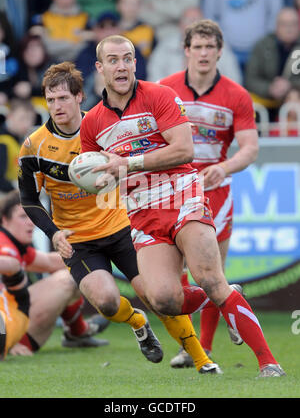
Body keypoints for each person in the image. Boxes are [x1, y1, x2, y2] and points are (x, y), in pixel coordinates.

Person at [80, 34, 285, 378]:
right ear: (100, 68)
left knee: (207, 276)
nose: (122, 66)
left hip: (183, 194)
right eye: (113, 60)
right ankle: (226, 296)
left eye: (128, 58)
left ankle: (268, 362)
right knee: (162, 299)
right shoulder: (92, 123)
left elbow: (184, 150)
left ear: (135, 63)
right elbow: (97, 174)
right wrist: (98, 181)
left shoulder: (159, 95)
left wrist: (127, 165)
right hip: (143, 211)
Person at [18, 61, 222, 373]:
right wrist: (54, 233)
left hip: (123, 227)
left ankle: (202, 360)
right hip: (80, 241)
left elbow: (138, 165)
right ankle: (138, 323)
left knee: (158, 298)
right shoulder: (34, 146)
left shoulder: (102, 129)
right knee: (107, 301)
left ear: (78, 98)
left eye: (63, 98)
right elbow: (29, 200)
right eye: (50, 99)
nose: (56, 106)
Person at [157, 18, 260, 367]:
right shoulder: (165, 90)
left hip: (215, 188)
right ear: (186, 51)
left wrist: (225, 167)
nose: (203, 53)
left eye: (209, 47)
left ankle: (202, 347)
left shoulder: (236, 95)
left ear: (219, 52)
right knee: (182, 273)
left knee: (211, 270)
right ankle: (202, 334)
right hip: (173, 187)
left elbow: (249, 148)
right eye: (197, 47)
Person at [0, 190, 109, 359]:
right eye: (23, 217)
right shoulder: (5, 247)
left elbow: (51, 262)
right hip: (9, 329)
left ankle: (77, 331)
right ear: (4, 220)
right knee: (69, 278)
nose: (30, 223)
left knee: (76, 268)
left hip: (19, 328)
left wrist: (96, 252)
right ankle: (77, 331)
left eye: (31, 216)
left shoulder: (17, 247)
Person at [202, 0, 283, 75]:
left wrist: (264, 43)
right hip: (226, 50)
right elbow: (209, 16)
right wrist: (223, 43)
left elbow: (276, 15)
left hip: (261, 49)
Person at [245, 7, 300, 121]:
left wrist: (289, 85)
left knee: (294, 99)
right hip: (264, 100)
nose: (289, 29)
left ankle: (293, 137)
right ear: (276, 26)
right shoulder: (262, 45)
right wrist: (269, 88)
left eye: (293, 24)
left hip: (293, 100)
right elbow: (250, 78)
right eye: (284, 24)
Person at [0, 99, 36, 196]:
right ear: (10, 117)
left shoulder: (24, 140)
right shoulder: (3, 141)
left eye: (30, 119)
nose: (27, 124)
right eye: (22, 118)